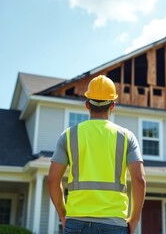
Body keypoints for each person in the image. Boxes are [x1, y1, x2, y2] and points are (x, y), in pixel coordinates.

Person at [47, 75, 146, 234]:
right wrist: (134, 219)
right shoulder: (127, 137)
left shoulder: (68, 136)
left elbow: (52, 180)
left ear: (87, 104)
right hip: (114, 224)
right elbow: (139, 180)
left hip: (76, 223)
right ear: (112, 105)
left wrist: (63, 214)